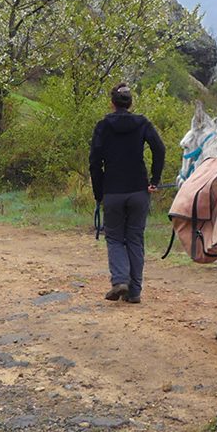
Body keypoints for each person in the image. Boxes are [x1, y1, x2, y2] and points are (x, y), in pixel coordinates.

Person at [89, 83, 165, 304]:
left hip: (112, 191)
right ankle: (134, 292)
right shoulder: (142, 123)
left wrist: (98, 191)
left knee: (113, 237)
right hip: (138, 190)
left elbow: (94, 161)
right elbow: (159, 149)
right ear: (130, 103)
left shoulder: (103, 126)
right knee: (135, 237)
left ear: (112, 103)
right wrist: (155, 180)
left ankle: (120, 280)